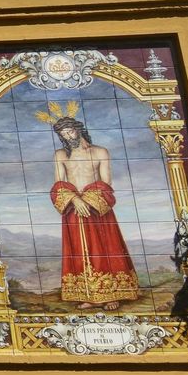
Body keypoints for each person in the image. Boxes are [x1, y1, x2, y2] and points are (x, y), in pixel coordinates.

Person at [45, 106, 140, 309]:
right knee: (79, 251)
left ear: (78, 129)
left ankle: (111, 295)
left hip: (97, 207)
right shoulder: (60, 155)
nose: (68, 136)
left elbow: (106, 183)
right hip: (73, 208)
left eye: (70, 131)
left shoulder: (100, 152)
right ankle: (87, 295)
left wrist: (87, 201)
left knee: (105, 249)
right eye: (63, 134)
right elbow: (58, 183)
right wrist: (74, 200)